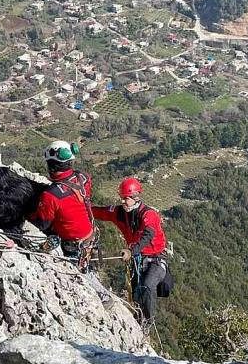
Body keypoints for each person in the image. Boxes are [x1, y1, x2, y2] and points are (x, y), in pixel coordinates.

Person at [29, 140, 110, 302]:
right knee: (87, 265)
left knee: (82, 273)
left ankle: (103, 297)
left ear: (52, 166)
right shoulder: (83, 178)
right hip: (90, 235)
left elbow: (42, 224)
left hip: (73, 244)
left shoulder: (50, 195)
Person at [93, 177, 171, 328]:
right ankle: (138, 319)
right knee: (136, 294)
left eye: (126, 198)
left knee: (147, 285)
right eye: (122, 198)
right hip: (136, 259)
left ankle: (147, 323)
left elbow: (147, 237)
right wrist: (82, 207)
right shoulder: (120, 213)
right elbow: (101, 212)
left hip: (155, 259)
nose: (122, 202)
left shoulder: (149, 215)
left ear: (136, 197)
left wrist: (130, 250)